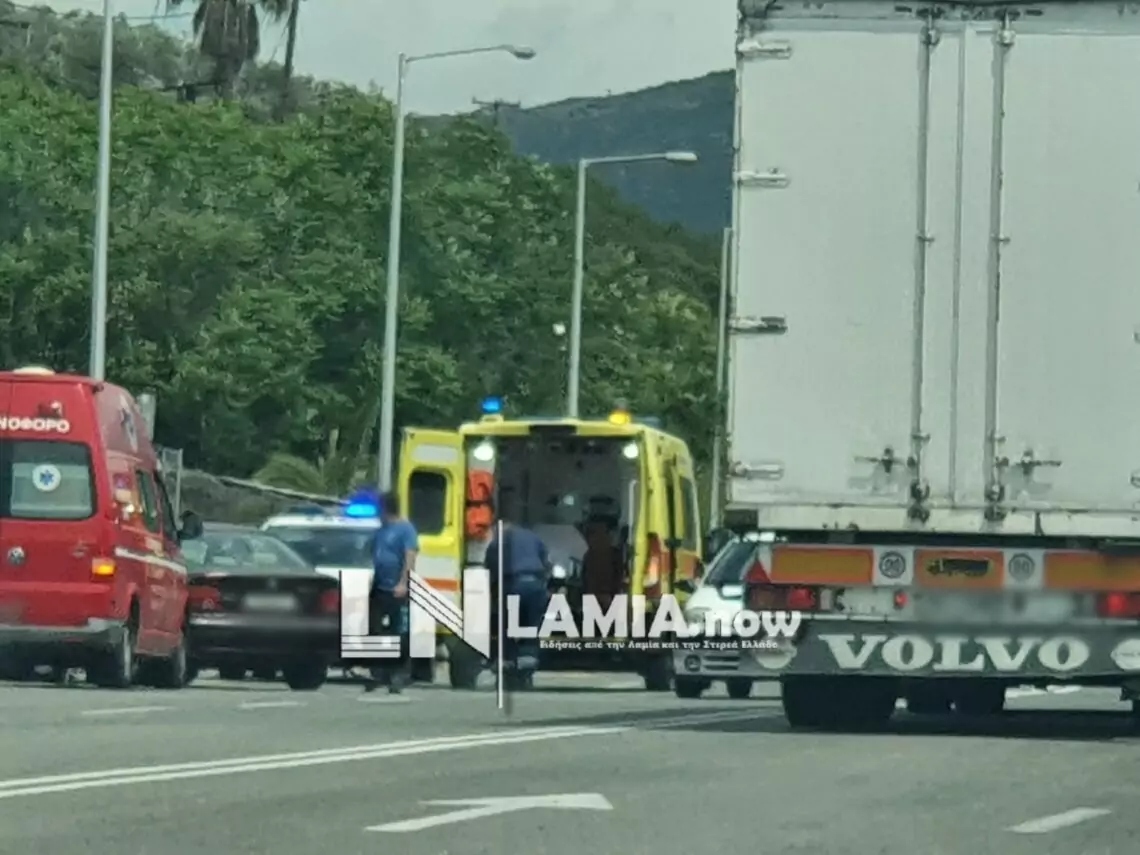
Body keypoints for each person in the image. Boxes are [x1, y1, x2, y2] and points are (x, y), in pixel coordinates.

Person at [484, 506, 551, 688]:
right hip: (535, 586)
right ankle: (526, 668)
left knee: (506, 626)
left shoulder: (499, 540)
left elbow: (490, 566)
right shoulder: (533, 537)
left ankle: (507, 665)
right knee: (530, 627)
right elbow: (546, 561)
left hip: (512, 585)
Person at [365, 490, 419, 694]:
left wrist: (404, 583)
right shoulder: (381, 531)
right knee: (375, 629)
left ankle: (399, 674)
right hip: (379, 587)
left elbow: (410, 557)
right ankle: (379, 673)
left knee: (399, 632)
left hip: (397, 588)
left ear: (386, 509)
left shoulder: (406, 529)